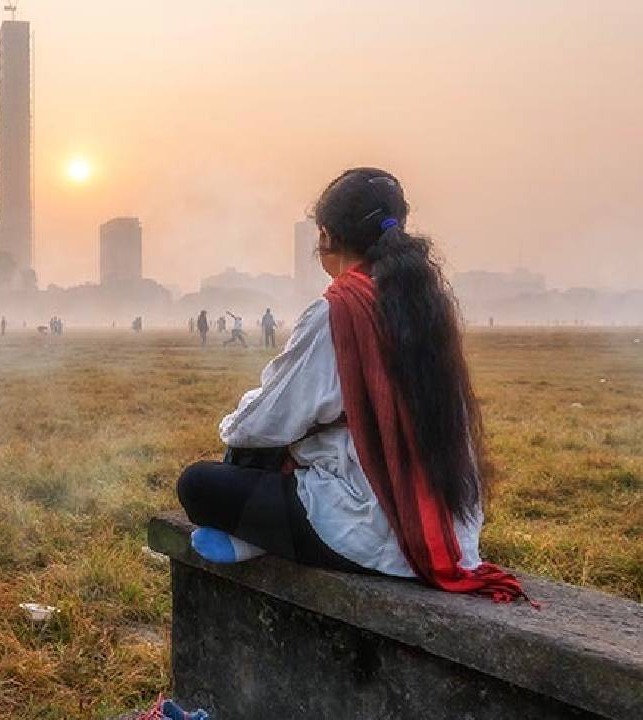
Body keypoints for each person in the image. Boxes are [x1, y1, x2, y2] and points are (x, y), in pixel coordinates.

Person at [175, 167, 529, 604]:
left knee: (200, 484)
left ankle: (254, 539)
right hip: (448, 526)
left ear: (325, 236)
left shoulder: (339, 309)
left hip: (368, 529)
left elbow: (260, 425)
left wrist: (236, 418)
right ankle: (258, 537)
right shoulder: (426, 304)